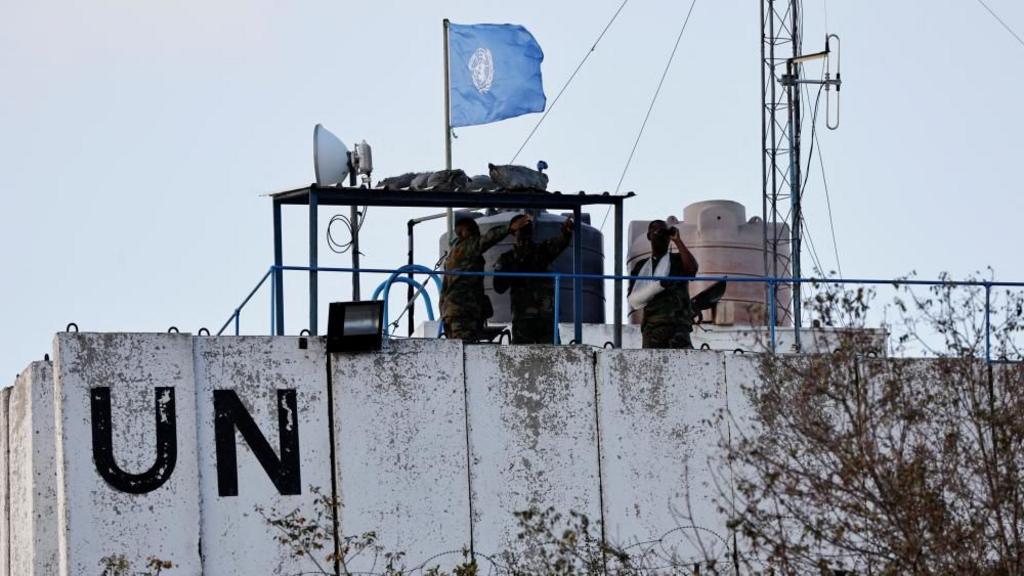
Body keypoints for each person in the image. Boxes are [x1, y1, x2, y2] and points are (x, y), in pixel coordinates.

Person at [440, 214, 532, 340]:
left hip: (454, 313)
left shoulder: (452, 256)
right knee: (464, 351)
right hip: (463, 313)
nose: (477, 233)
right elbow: (487, 239)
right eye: (473, 230)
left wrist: (443, 313)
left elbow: (443, 290)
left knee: (458, 351)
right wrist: (509, 228)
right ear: (463, 232)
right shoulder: (466, 247)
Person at [493, 214, 574, 344]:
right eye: (522, 229)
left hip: (544, 317)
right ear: (514, 232)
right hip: (524, 317)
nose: (525, 233)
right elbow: (499, 287)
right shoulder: (508, 258)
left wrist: (566, 232)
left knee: (551, 356)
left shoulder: (542, 251)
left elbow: (561, 242)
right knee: (523, 358)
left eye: (528, 228)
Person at [627, 220, 699, 349]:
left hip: (679, 326)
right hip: (653, 327)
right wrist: (658, 285)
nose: (662, 237)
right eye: (658, 232)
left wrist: (677, 240)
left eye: (665, 233)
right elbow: (633, 300)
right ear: (649, 236)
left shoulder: (677, 260)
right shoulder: (641, 267)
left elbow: (692, 269)